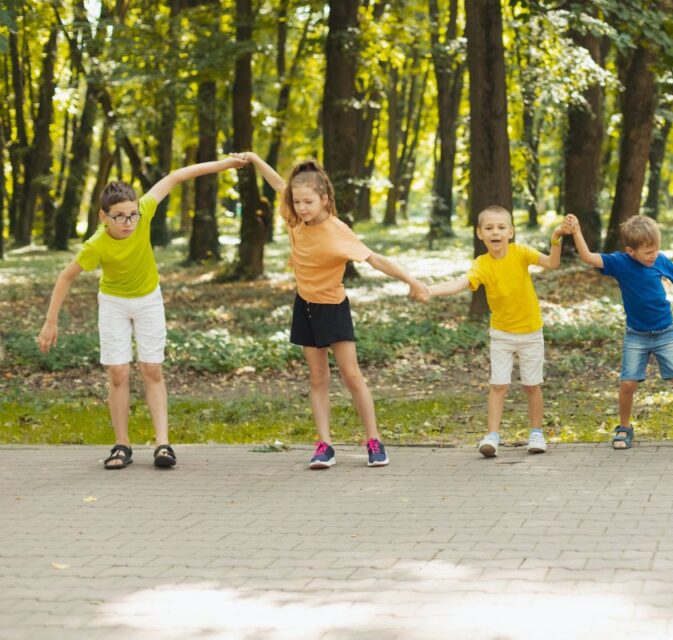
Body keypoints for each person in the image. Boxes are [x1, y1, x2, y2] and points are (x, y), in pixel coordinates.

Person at [37, 157, 245, 469]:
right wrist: (50, 322)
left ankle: (163, 445)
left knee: (152, 369)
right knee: (118, 372)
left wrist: (226, 163)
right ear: (104, 217)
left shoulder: (144, 211)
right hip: (114, 304)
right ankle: (122, 446)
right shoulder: (96, 244)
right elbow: (66, 276)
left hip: (148, 299)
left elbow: (176, 175)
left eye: (132, 215)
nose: (128, 222)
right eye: (119, 217)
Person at [242, 152, 429, 469]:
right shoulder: (293, 220)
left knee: (352, 375)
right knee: (318, 378)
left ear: (324, 200)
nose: (301, 208)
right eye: (297, 202)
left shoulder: (338, 229)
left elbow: (376, 260)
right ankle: (324, 445)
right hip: (306, 307)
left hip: (334, 308)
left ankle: (374, 440)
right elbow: (277, 184)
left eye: (308, 203)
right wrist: (255, 159)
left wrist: (411, 280)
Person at [426, 206, 570, 457]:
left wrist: (556, 236)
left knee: (532, 385)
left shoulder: (521, 253)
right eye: (489, 228)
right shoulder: (481, 264)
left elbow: (552, 263)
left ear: (511, 232)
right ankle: (492, 436)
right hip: (501, 335)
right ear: (479, 233)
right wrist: (430, 290)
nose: (496, 232)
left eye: (501, 227)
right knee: (498, 385)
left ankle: (536, 433)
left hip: (530, 333)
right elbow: (460, 283)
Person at [565, 213, 673, 450]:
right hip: (636, 335)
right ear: (631, 251)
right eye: (648, 252)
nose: (654, 256)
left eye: (656, 250)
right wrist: (576, 231)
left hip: (665, 332)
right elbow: (587, 257)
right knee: (628, 385)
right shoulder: (620, 262)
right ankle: (624, 428)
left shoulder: (659, 260)